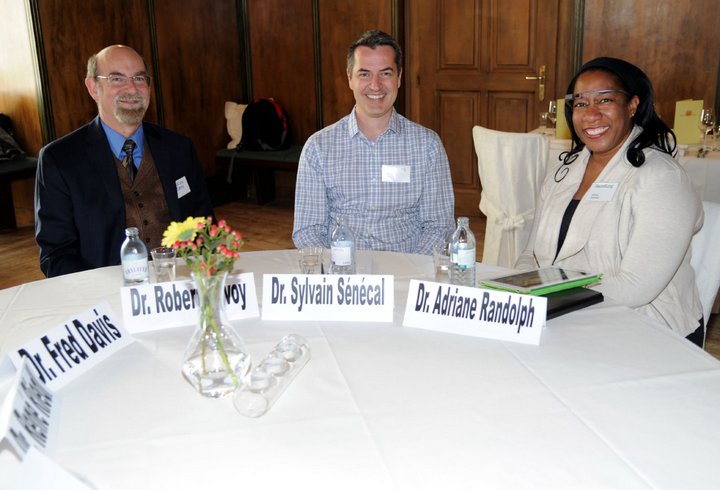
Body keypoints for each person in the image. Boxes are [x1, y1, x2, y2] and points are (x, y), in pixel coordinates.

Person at [516, 57, 704, 345]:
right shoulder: (563, 172)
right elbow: (531, 255)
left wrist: (548, 295)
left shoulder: (661, 178)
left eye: (605, 100)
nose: (591, 114)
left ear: (632, 105)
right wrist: (517, 294)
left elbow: (636, 289)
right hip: (567, 314)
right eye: (581, 103)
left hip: (648, 330)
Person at [35, 45, 214, 277]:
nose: (132, 88)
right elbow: (56, 254)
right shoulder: (59, 159)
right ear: (93, 88)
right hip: (106, 290)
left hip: (180, 284)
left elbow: (204, 227)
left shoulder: (178, 148)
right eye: (117, 79)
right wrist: (100, 290)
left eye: (139, 78)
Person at [292, 30, 454, 255]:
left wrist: (410, 269)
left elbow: (439, 227)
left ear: (399, 77)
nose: (375, 85)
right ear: (350, 79)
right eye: (364, 74)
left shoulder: (428, 146)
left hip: (407, 268)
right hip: (340, 270)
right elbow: (308, 230)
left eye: (385, 73)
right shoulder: (318, 148)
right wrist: (339, 268)